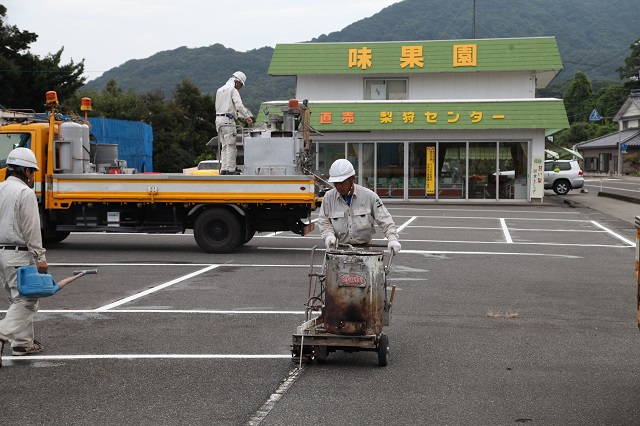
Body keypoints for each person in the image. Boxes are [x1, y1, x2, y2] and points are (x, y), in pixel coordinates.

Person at [0, 147, 48, 367]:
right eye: (33, 172)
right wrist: (40, 257)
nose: (33, 176)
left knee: (16, 297)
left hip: (1, 254)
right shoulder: (24, 193)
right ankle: (3, 333)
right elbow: (31, 229)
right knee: (27, 300)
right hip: (17, 254)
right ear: (26, 170)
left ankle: (23, 343)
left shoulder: (0, 188)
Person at [318, 159, 402, 253]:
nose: (338, 186)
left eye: (341, 182)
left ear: (352, 179)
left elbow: (384, 218)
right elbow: (324, 221)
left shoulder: (369, 196)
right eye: (335, 183)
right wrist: (329, 235)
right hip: (338, 251)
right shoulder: (328, 198)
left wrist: (392, 239)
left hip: (364, 251)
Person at [215, 71, 254, 175]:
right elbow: (239, 106)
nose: (240, 87)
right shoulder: (232, 90)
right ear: (237, 82)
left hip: (218, 121)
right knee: (231, 145)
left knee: (224, 145)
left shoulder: (220, 90)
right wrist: (247, 117)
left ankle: (224, 169)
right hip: (228, 121)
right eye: (241, 85)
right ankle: (231, 170)